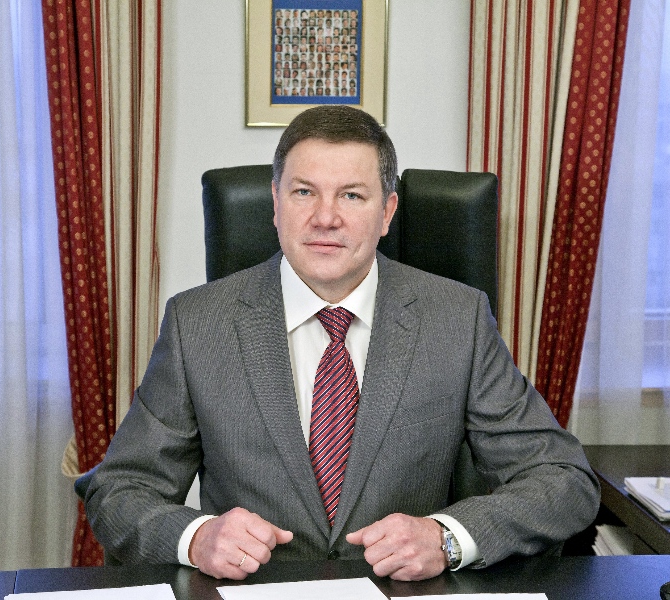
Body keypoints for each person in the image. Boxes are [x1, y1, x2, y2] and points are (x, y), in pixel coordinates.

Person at [79, 105, 599, 583]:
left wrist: (446, 537)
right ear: (275, 203)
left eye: (351, 195)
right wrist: (195, 538)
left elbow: (563, 480)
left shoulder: (456, 319)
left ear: (387, 212)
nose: (325, 217)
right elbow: (120, 490)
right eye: (304, 192)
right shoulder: (197, 323)